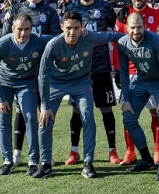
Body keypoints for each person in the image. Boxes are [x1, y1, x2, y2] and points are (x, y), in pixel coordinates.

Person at [34, 11, 125, 179]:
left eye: (76, 28)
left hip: (81, 82)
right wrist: (45, 106)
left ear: (82, 27)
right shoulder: (53, 45)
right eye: (68, 28)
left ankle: (88, 163)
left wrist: (135, 36)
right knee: (45, 120)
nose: (72, 32)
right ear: (61, 27)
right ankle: (45, 164)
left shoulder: (90, 37)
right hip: (56, 83)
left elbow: (113, 36)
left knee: (88, 116)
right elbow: (43, 76)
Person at [1, 0, 62, 166]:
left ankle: (44, 154)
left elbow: (55, 40)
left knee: (43, 110)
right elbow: (5, 38)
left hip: (42, 69)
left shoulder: (49, 12)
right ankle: (17, 153)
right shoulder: (15, 10)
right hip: (21, 71)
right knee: (21, 111)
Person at [64, 0, 121, 165]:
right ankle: (74, 151)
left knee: (106, 110)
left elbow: (117, 28)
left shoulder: (105, 8)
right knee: (76, 111)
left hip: (101, 67)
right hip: (79, 69)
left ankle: (112, 150)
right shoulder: (71, 9)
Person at [0, 15, 52, 175]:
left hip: (26, 83)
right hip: (4, 83)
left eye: (27, 29)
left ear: (32, 29)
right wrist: (0, 98)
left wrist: (81, 33)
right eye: (19, 29)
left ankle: (32, 161)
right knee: (4, 119)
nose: (23, 33)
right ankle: (7, 160)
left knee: (31, 117)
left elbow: (60, 38)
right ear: (13, 29)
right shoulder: (3, 44)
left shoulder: (38, 40)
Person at [117, 12, 159, 181]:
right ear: (126, 28)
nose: (136, 31)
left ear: (145, 27)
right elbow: (123, 72)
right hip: (140, 81)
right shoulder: (122, 43)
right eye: (132, 27)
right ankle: (147, 160)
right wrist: (126, 99)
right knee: (128, 119)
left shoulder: (156, 40)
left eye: (139, 27)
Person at [114, 0, 159, 165]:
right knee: (128, 112)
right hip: (131, 72)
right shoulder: (123, 16)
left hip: (154, 72)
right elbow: (118, 44)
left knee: (156, 112)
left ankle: (158, 151)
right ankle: (130, 151)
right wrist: (117, 69)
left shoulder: (158, 14)